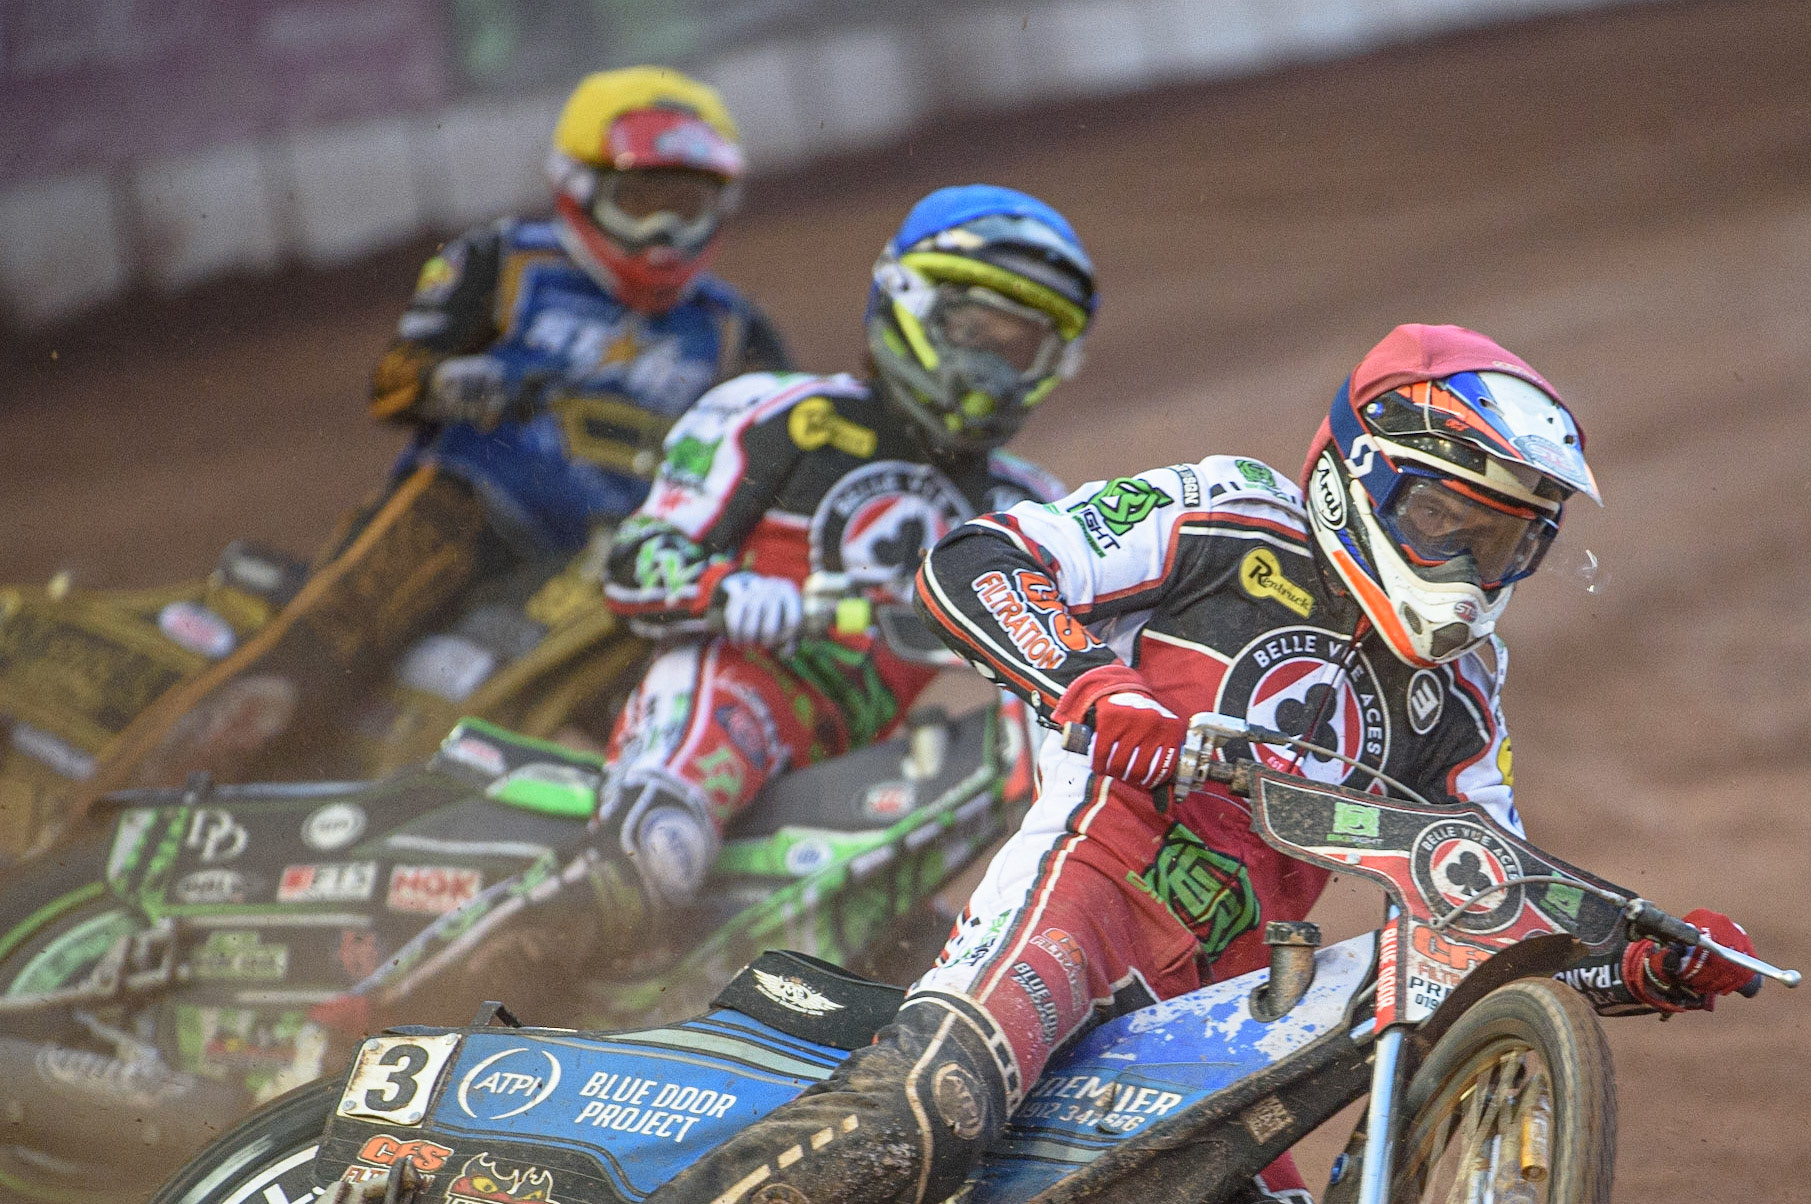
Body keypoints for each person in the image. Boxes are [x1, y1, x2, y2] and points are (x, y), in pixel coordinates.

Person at [644, 323, 1759, 1204]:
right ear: (1357, 475)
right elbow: (980, 556)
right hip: (1083, 903)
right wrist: (1091, 683)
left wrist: (1637, 964)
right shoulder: (1224, 513)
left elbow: (1480, 901)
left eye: (1503, 542)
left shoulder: (1461, 691)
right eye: (1444, 521)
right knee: (923, 1115)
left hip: (1230, 1005)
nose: (1467, 566)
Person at [84, 66, 789, 794]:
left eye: (687, 207)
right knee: (299, 673)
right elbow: (392, 384)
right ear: (578, 189)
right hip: (467, 510)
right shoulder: (500, 262)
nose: (665, 234)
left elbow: (782, 453)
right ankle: (121, 808)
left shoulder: (732, 327)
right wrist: (456, 382)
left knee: (636, 702)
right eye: (641, 203)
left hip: (607, 560)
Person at [587, 183, 1091, 938]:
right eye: (975, 331)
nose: (990, 367)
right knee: (655, 854)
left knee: (909, 951)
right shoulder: (782, 414)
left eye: (1016, 346)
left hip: (866, 762)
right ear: (907, 301)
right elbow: (637, 558)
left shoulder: (1030, 507)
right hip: (733, 694)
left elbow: (1087, 650)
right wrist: (731, 594)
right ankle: (460, 1000)